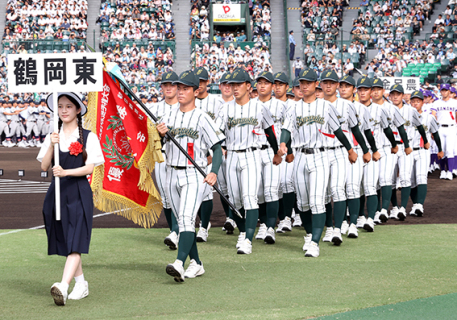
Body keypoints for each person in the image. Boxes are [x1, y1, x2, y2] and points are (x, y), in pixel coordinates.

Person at [278, 69, 357, 258]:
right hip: (300, 156)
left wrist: (350, 149)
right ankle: (308, 234)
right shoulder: (294, 107)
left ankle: (315, 242)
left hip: (321, 156)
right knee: (302, 203)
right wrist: (283, 144)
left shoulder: (325, 107)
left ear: (316, 84)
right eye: (301, 82)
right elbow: (286, 129)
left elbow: (338, 131)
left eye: (308, 82)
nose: (304, 86)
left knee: (316, 200)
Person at [157, 71, 225, 282]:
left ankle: (179, 263)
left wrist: (214, 171)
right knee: (183, 222)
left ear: (196, 91)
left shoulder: (203, 117)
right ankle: (196, 263)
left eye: (185, 88)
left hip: (193, 173)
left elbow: (217, 148)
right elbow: (158, 147)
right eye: (179, 88)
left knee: (186, 219)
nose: (180, 92)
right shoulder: (167, 117)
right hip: (170, 171)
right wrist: (159, 136)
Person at [37, 92, 104, 306]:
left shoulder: (88, 136)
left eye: (68, 106)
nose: (64, 110)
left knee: (76, 239)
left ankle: (63, 286)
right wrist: (51, 145)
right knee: (68, 239)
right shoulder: (53, 136)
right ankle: (81, 283)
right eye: (60, 106)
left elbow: (90, 167)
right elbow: (44, 166)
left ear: (78, 110)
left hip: (78, 192)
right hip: (56, 192)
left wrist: (66, 172)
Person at [215, 69, 280, 254]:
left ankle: (248, 239)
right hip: (232, 155)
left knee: (250, 197)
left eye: (238, 84)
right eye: (232, 85)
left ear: (248, 86)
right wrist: (217, 147)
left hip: (252, 154)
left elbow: (269, 131)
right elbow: (218, 134)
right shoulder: (226, 108)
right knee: (235, 200)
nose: (234, 88)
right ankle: (243, 232)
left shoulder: (259, 107)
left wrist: (276, 152)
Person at [320, 71, 372, 244]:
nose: (330, 86)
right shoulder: (316, 105)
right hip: (322, 151)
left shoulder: (347, 106)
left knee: (349, 188)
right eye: (325, 82)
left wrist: (365, 150)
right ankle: (332, 226)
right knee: (326, 192)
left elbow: (357, 130)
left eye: (334, 83)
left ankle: (352, 224)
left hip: (345, 150)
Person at [253, 71, 287, 244]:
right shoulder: (250, 105)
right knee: (258, 193)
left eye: (266, 83)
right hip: (254, 150)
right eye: (259, 83)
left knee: (271, 190)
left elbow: (288, 129)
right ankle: (264, 224)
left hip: (273, 151)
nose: (262, 85)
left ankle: (271, 228)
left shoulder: (281, 106)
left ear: (273, 86)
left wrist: (282, 151)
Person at [148, 71, 180, 250]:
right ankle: (174, 232)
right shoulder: (153, 109)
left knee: (178, 196)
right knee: (166, 199)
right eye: (165, 85)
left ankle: (179, 230)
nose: (169, 88)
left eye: (172, 85)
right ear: (161, 88)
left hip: (181, 157)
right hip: (161, 157)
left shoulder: (184, 107)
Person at [389, 84, 428, 220]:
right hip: (391, 146)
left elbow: (420, 127)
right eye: (393, 94)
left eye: (398, 94)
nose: (395, 96)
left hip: (407, 146)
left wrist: (426, 140)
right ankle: (394, 207)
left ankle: (403, 208)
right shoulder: (386, 109)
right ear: (389, 95)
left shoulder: (411, 111)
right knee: (391, 180)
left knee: (406, 178)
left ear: (402, 95)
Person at [193, 67, 223, 242]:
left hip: (211, 151)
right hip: (194, 152)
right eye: (196, 81)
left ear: (207, 83)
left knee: (206, 191)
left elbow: (219, 129)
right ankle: (200, 222)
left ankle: (204, 226)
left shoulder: (217, 102)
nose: (199, 84)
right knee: (194, 191)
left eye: (202, 81)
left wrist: (212, 152)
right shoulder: (189, 101)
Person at [409, 90, 443, 216]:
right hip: (409, 151)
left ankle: (419, 205)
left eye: (418, 101)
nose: (415, 103)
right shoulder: (405, 116)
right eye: (413, 101)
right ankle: (416, 204)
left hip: (423, 151)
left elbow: (436, 134)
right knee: (410, 180)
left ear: (422, 102)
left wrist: (440, 149)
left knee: (421, 177)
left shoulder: (429, 117)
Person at [218, 72, 237, 234]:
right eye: (224, 84)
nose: (227, 87)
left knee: (235, 188)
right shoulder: (215, 103)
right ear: (220, 86)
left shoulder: (239, 103)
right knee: (223, 188)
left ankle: (234, 217)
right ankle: (229, 217)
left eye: (229, 84)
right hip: (219, 151)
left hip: (235, 151)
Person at [433, 84, 457, 180]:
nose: (444, 92)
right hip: (440, 128)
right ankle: (443, 170)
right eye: (442, 90)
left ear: (449, 91)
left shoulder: (454, 102)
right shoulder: (437, 103)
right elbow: (433, 115)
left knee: (450, 151)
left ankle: (450, 172)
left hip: (451, 127)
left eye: (446, 90)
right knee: (441, 150)